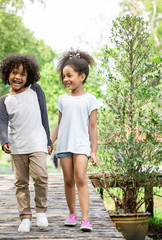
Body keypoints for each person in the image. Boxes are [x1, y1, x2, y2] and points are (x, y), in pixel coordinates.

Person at [0, 54, 53, 233]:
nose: (18, 77)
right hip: (17, 145)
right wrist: (4, 140)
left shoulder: (35, 90)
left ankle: (41, 211)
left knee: (41, 176)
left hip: (37, 142)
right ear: (8, 74)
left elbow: (44, 115)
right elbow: (2, 122)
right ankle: (25, 217)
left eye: (23, 74)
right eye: (14, 72)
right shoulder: (4, 100)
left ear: (29, 77)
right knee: (21, 183)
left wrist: (48, 139)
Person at [50, 49, 98, 232]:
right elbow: (59, 124)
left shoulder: (90, 99)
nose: (65, 80)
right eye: (64, 76)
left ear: (82, 76)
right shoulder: (63, 99)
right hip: (64, 144)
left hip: (81, 145)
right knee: (68, 179)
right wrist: (50, 141)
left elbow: (92, 127)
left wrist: (93, 151)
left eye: (69, 76)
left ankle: (85, 218)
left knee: (80, 177)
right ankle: (72, 214)